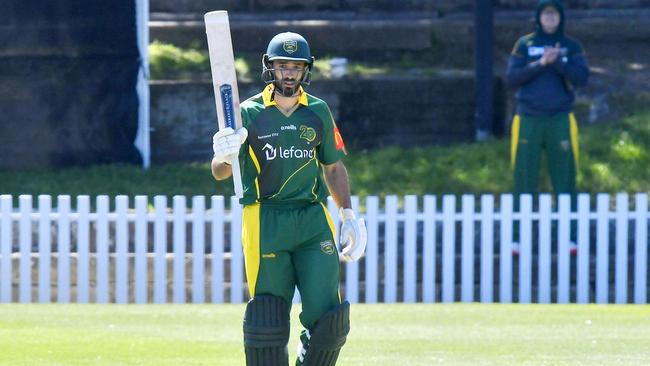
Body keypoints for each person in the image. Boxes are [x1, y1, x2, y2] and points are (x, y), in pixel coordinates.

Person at [211, 32, 367, 366]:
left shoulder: (318, 111)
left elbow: (334, 167)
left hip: (312, 219)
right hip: (265, 219)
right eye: (282, 65)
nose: (289, 73)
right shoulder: (247, 113)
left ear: (306, 70)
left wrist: (349, 215)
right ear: (270, 68)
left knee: (329, 318)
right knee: (267, 321)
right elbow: (220, 173)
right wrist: (224, 153)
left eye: (296, 66)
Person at [506, 0, 589, 254]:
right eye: (546, 14)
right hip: (528, 119)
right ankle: (517, 239)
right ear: (538, 17)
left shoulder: (572, 46)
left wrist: (558, 63)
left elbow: (582, 78)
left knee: (565, 178)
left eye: (554, 14)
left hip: (560, 119)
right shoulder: (524, 44)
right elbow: (512, 78)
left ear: (561, 18)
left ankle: (569, 237)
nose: (550, 19)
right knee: (523, 178)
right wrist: (541, 63)